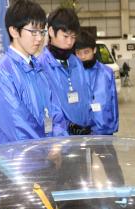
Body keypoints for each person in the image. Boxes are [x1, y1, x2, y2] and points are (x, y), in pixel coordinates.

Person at [0, 0, 67, 144]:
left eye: (41, 31)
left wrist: (58, 143)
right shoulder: (0, 75)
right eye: (33, 32)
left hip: (48, 154)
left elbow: (55, 110)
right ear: (14, 31)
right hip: (19, 161)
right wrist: (46, 149)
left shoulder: (39, 67)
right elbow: (18, 127)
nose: (39, 38)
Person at [75, 30, 124, 186]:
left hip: (103, 129)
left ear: (94, 50)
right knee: (81, 169)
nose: (82, 56)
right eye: (79, 53)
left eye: (86, 52)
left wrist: (112, 127)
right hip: (81, 131)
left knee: (112, 166)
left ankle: (119, 194)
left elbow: (112, 102)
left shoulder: (106, 73)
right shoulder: (73, 74)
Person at [38, 7, 93, 136]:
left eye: (73, 37)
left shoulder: (76, 62)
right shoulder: (41, 66)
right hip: (59, 140)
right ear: (51, 31)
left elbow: (86, 96)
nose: (70, 42)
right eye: (66, 36)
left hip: (83, 133)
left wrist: (88, 123)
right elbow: (44, 109)